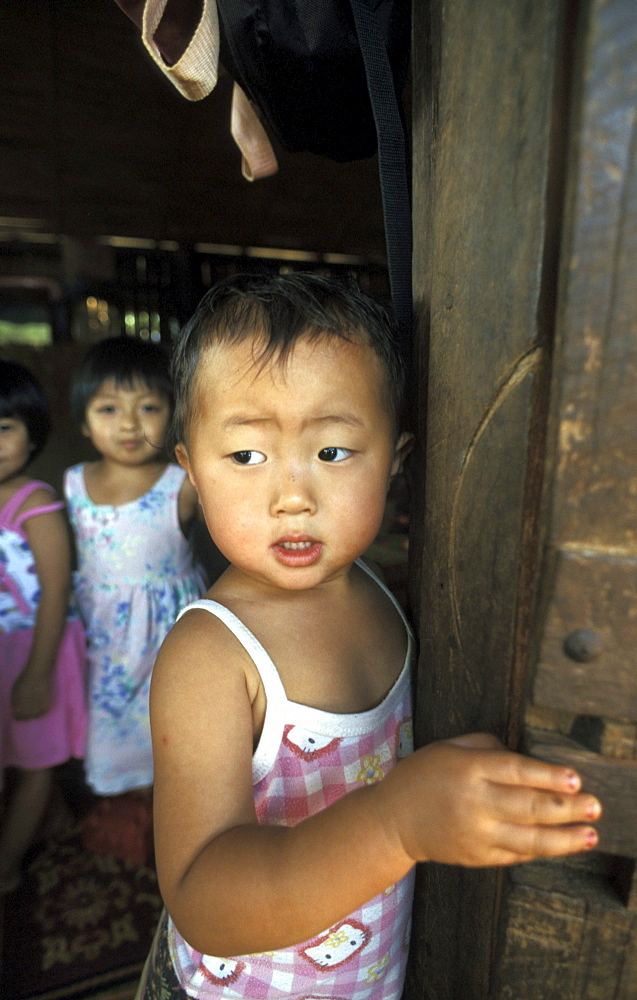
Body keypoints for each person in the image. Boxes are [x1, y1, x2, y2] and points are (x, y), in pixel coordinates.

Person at [136, 274, 601, 1000]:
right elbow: (200, 898)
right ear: (191, 469)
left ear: (396, 459)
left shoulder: (382, 593)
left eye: (332, 452)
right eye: (246, 456)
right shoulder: (210, 656)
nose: (292, 495)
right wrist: (392, 826)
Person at [64, 336, 206, 797]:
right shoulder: (73, 485)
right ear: (83, 420)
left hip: (166, 637)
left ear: (173, 415)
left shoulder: (183, 485)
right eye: (108, 409)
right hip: (101, 637)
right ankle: (125, 808)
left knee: (174, 729)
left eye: (147, 407)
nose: (128, 423)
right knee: (105, 721)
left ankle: (168, 816)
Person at [0, 360, 87, 894]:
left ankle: (6, 867)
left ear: (32, 435)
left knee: (34, 761)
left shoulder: (34, 504)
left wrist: (37, 674)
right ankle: (52, 822)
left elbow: (54, 591)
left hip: (38, 648)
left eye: (3, 427)